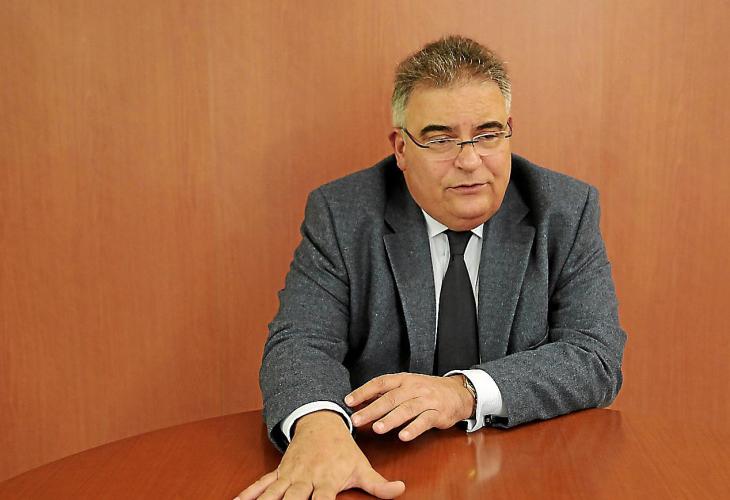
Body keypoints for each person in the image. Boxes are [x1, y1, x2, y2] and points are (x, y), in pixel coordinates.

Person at [237, 35, 626, 500]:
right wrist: (318, 426)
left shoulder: (564, 210)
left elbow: (594, 356)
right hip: (386, 467)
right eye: (441, 139)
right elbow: (301, 341)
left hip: (528, 471)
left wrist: (462, 393)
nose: (469, 161)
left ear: (508, 131)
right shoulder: (343, 214)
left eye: (487, 134)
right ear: (401, 149)